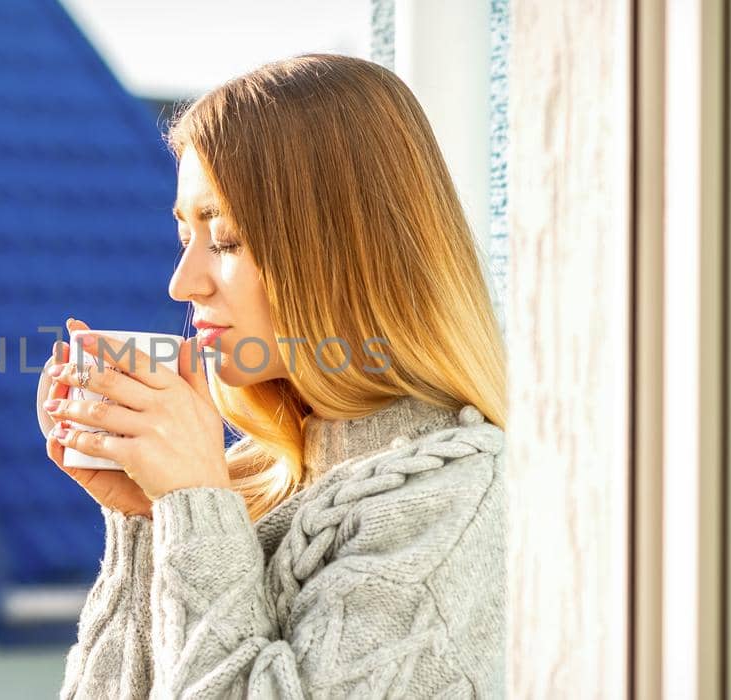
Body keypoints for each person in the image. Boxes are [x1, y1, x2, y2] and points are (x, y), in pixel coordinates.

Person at [33, 53, 508, 699]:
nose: (183, 283)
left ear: (346, 251)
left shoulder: (455, 505)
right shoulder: (252, 484)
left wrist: (195, 508)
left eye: (225, 240)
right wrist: (150, 520)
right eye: (185, 239)